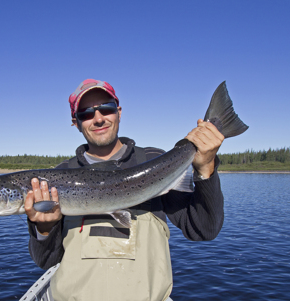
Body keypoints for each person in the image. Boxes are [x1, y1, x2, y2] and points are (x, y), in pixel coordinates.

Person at [24, 79, 225, 301]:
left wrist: (206, 169)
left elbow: (204, 229)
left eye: (106, 109)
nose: (98, 118)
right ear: (76, 122)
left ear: (119, 112)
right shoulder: (55, 179)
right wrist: (44, 229)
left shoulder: (154, 161)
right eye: (86, 114)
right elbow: (46, 262)